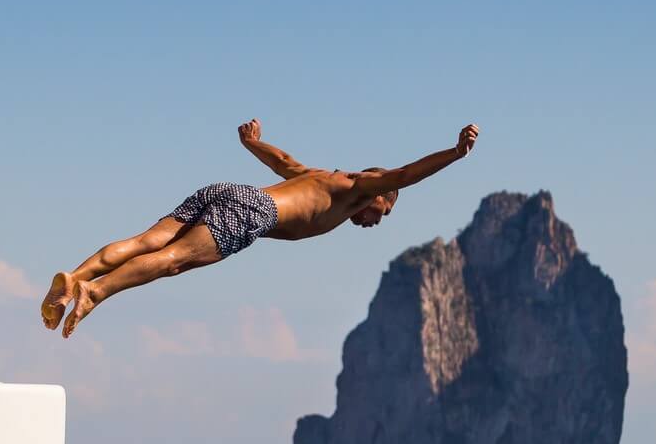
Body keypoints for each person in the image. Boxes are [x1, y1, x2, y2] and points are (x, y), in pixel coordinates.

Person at [41, 119, 478, 338]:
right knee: (170, 262)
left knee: (145, 241)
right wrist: (455, 154)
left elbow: (283, 163)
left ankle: (73, 278)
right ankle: (93, 293)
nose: (371, 223)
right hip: (253, 211)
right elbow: (405, 173)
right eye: (380, 215)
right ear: (378, 199)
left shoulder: (321, 177)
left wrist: (252, 143)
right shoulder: (361, 189)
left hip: (228, 190)